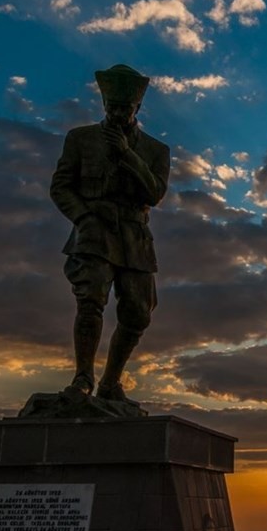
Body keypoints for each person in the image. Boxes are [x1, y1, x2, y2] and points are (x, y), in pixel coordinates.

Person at [50, 64, 170, 405]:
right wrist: (84, 217)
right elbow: (61, 186)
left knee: (138, 313)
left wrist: (127, 154)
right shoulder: (80, 138)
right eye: (112, 107)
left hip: (135, 239)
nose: (117, 113)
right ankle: (83, 377)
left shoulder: (156, 150)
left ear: (137, 109)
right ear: (104, 105)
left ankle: (110, 382)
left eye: (124, 108)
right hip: (94, 231)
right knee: (90, 302)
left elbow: (154, 193)